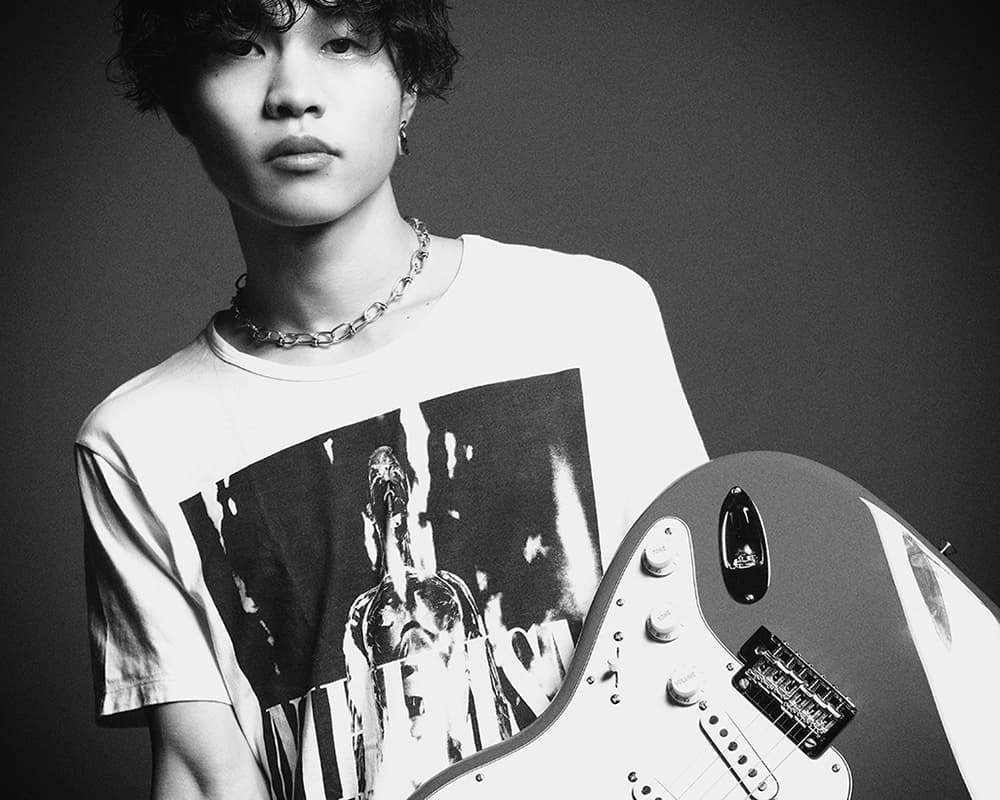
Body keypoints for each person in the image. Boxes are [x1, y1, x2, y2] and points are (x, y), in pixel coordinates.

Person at [78, 1, 707, 797]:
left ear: (407, 84)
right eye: (239, 47)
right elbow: (207, 777)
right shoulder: (137, 442)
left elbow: (699, 648)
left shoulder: (590, 315)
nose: (294, 94)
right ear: (180, 101)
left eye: (341, 42)